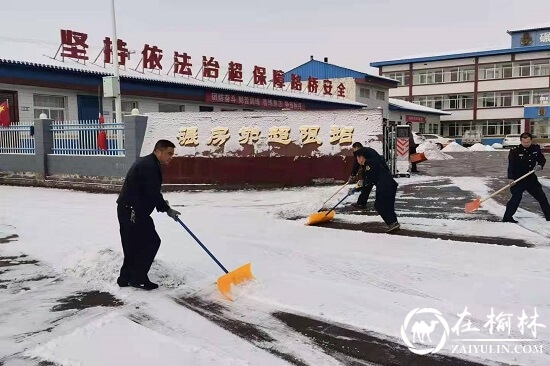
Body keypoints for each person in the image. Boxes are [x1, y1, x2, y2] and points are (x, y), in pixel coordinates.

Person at [116, 139, 181, 290]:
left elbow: (149, 190)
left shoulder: (149, 163)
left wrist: (164, 207)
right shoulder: (149, 166)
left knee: (133, 244)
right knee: (151, 242)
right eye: (169, 153)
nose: (171, 157)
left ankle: (125, 278)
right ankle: (138, 278)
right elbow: (153, 192)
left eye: (172, 154)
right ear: (158, 151)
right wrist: (167, 209)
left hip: (131, 209)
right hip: (132, 211)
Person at [350, 147, 400, 232]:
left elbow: (368, 180)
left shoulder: (369, 164)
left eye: (358, 158)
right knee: (388, 205)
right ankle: (394, 223)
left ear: (362, 157)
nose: (357, 161)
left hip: (384, 186)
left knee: (379, 205)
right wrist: (357, 188)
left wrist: (356, 188)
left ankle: (392, 223)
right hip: (390, 185)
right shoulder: (370, 163)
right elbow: (367, 180)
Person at [502, 132, 550, 223]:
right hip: (518, 179)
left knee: (542, 197)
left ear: (531, 140)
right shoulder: (515, 151)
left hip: (531, 179)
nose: (526, 144)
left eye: (528, 142)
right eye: (524, 142)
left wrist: (540, 165)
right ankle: (507, 218)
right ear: (521, 141)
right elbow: (511, 166)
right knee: (516, 198)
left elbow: (541, 159)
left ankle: (549, 216)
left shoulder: (535, 148)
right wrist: (511, 178)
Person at [348, 142, 372, 209]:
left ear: (356, 147)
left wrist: (352, 175)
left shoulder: (361, 153)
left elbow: (356, 165)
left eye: (354, 149)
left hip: (372, 171)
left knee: (366, 187)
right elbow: (357, 165)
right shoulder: (364, 151)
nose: (353, 151)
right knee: (364, 186)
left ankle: (361, 204)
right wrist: (353, 175)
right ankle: (361, 203)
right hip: (368, 170)